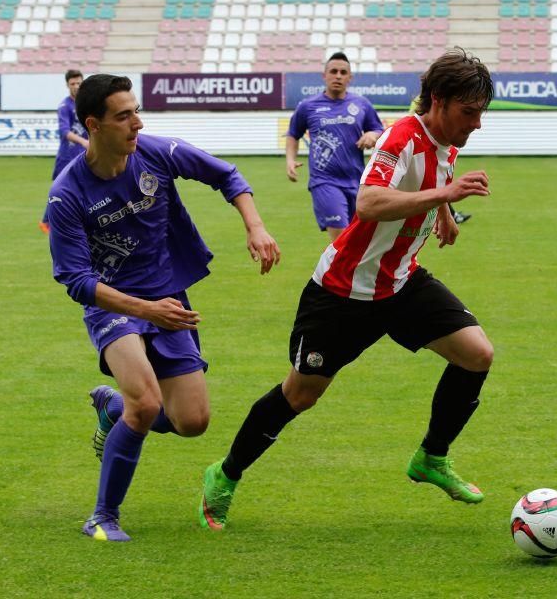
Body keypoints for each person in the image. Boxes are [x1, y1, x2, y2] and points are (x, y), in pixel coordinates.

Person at [199, 49, 495, 530]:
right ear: (438, 102)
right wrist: (445, 197)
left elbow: (436, 174)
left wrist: (441, 215)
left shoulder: (445, 140)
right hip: (343, 292)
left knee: (477, 354)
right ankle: (225, 474)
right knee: (300, 394)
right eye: (469, 112)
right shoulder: (400, 138)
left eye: (482, 113)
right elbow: (370, 201)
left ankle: (431, 458)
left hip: (399, 282)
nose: (477, 124)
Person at [46, 74, 281, 542]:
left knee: (191, 422)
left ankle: (113, 408)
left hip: (166, 298)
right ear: (93, 125)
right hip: (113, 305)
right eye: (124, 115)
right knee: (147, 401)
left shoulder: (156, 152)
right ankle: (102, 516)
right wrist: (146, 310)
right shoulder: (67, 193)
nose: (137, 122)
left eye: (136, 111)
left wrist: (255, 227)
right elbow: (77, 281)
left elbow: (227, 175)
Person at [285, 51, 384, 242]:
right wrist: (290, 160)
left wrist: (372, 135)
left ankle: (341, 272)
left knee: (361, 241)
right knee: (342, 242)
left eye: (343, 72)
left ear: (350, 78)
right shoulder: (308, 106)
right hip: (324, 182)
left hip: (357, 182)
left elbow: (378, 128)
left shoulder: (361, 104)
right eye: (333, 71)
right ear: (324, 75)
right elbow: (293, 134)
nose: (338, 76)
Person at [408, 94, 472, 225]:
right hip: (421, 143)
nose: (477, 125)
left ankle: (451, 215)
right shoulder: (420, 101)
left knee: (438, 183)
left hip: (431, 144)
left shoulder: (450, 148)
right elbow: (414, 119)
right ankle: (452, 216)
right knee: (432, 185)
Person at [39, 69, 89, 234]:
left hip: (85, 155)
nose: (76, 86)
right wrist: (83, 141)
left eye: (78, 83)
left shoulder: (87, 104)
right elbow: (64, 132)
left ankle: (81, 220)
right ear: (67, 85)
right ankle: (46, 221)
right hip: (67, 156)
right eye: (72, 84)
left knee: (86, 187)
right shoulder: (64, 106)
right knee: (60, 189)